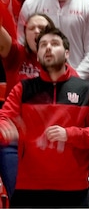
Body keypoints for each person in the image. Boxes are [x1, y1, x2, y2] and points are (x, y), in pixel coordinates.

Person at [0, 27, 89, 208]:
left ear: (67, 53)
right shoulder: (23, 89)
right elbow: (3, 118)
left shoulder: (86, 89)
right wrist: (4, 127)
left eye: (54, 44)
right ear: (37, 56)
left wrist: (70, 134)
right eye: (43, 45)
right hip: (29, 189)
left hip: (74, 190)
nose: (48, 48)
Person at [0, 13, 54, 198]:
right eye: (32, 28)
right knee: (20, 199)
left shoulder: (57, 62)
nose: (37, 32)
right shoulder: (15, 53)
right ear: (25, 34)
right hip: (13, 141)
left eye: (42, 28)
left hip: (46, 142)